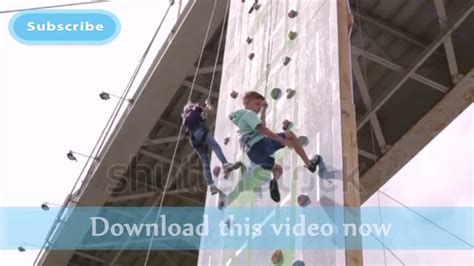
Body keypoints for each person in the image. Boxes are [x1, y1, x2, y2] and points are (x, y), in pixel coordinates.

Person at [229, 91, 321, 202]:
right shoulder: (249, 114)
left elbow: (260, 126)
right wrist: (280, 139)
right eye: (257, 104)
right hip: (260, 145)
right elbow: (262, 130)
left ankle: (274, 181)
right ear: (247, 103)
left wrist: (264, 110)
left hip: (253, 155)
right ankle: (309, 164)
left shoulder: (242, 121)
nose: (259, 107)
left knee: (277, 169)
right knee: (290, 136)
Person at [182, 99, 241, 195]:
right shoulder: (195, 109)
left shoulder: (185, 119)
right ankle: (225, 164)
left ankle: (211, 185)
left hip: (193, 139)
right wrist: (208, 104)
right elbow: (211, 111)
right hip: (200, 131)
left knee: (205, 161)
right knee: (215, 146)